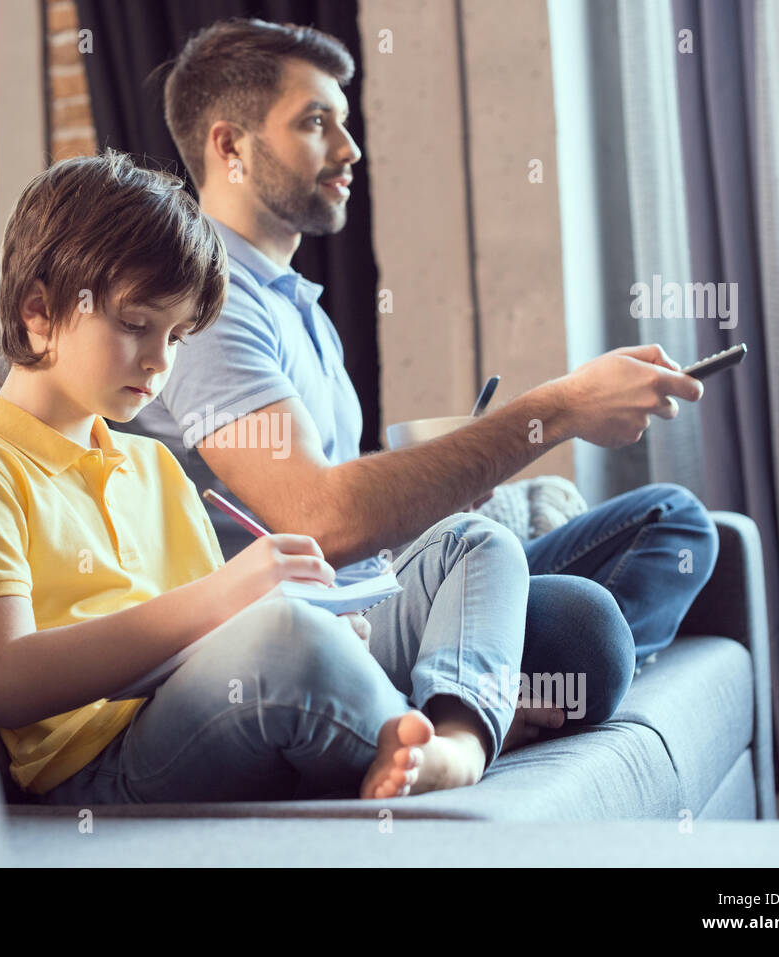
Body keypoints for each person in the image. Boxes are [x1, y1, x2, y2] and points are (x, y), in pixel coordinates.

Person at [0, 150, 551, 805]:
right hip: (106, 756)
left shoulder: (151, 465)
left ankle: (457, 739)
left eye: (179, 334)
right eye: (136, 324)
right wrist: (234, 598)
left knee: (471, 541)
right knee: (286, 640)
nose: (160, 360)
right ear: (37, 311)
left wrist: (294, 615)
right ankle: (441, 728)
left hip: (215, 696)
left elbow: (212, 643)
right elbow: (10, 680)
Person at [118, 18, 720, 694]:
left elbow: (338, 491)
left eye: (345, 123)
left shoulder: (296, 305)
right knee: (581, 625)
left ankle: (488, 687)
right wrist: (563, 407)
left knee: (672, 521)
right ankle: (467, 695)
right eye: (317, 123)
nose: (350, 150)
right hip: (317, 623)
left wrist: (450, 475)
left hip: (383, 586)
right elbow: (320, 517)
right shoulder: (206, 299)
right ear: (230, 145)